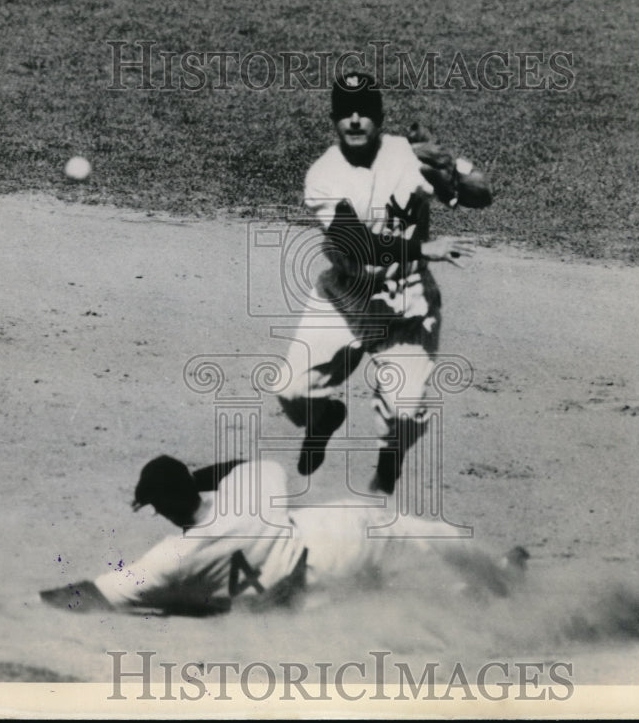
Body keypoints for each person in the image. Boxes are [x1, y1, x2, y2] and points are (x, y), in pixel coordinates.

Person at [277, 71, 493, 493]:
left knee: (404, 411)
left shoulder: (409, 154)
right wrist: (420, 250)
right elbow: (356, 246)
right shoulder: (323, 176)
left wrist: (454, 172)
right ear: (334, 120)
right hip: (345, 299)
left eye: (364, 112)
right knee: (290, 390)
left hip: (408, 305)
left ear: (379, 117)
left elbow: (482, 193)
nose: (355, 120)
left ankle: (387, 467)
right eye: (345, 113)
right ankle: (323, 418)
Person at [40, 454, 526, 615]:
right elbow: (247, 464)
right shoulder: (250, 489)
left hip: (313, 583)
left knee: (371, 592)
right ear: (192, 483)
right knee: (421, 535)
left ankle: (466, 598)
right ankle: (493, 575)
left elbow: (95, 595)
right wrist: (200, 477)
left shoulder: (174, 557)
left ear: (161, 510)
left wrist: (39, 598)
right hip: (345, 532)